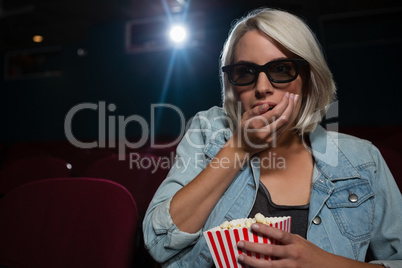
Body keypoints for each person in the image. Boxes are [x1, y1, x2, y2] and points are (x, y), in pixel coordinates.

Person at [143, 7, 402, 268]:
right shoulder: (208, 131)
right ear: (233, 86)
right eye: (245, 71)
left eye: (280, 69)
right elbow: (158, 242)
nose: (262, 88)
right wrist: (239, 148)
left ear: (308, 79)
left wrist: (326, 263)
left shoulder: (363, 160)